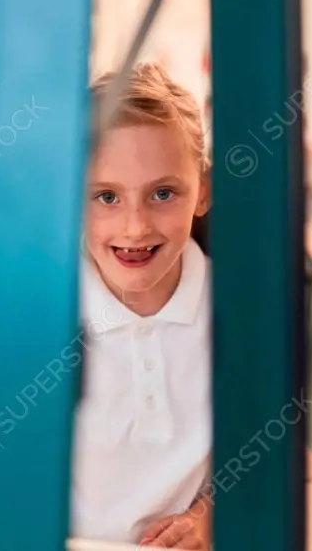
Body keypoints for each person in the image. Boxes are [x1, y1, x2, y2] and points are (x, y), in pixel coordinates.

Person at [72, 62, 213, 549]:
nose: (135, 227)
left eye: (163, 193)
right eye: (106, 197)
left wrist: (207, 516)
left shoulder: (240, 312)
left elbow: (259, 441)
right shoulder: (41, 313)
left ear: (203, 191)